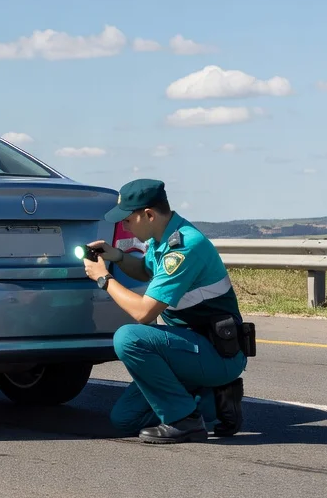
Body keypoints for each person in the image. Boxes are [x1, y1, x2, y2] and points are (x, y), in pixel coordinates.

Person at [81, 178, 248, 443]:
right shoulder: (161, 240)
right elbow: (145, 270)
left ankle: (185, 421)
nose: (122, 225)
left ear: (148, 214)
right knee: (125, 420)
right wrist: (118, 257)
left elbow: (143, 313)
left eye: (127, 219)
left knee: (129, 338)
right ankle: (215, 400)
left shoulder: (183, 247)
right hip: (188, 350)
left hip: (216, 353)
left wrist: (104, 279)